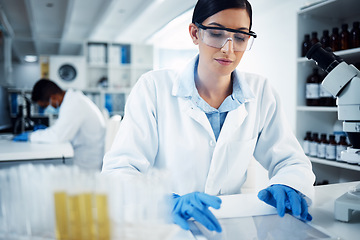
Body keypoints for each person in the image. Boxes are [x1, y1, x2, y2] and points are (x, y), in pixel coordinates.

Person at [102, 0, 315, 232]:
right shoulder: (153, 88)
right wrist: (163, 202)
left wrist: (290, 183)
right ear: (195, 33)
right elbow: (119, 171)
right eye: (216, 33)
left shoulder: (260, 91)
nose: (228, 48)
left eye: (241, 37)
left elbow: (291, 161)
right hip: (166, 227)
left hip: (229, 226)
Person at [13, 79, 106, 171]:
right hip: (84, 156)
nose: (46, 109)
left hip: (87, 164)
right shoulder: (73, 100)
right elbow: (60, 130)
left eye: (45, 106)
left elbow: (58, 136)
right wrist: (45, 132)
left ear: (53, 98)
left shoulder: (74, 104)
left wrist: (31, 136)